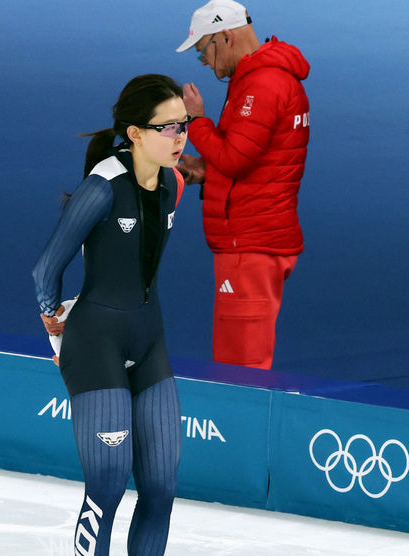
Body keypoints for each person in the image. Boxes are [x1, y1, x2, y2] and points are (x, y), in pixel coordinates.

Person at [32, 74, 191, 556]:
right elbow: (45, 269)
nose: (179, 136)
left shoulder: (173, 184)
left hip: (149, 340)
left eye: (183, 125)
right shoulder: (101, 188)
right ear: (135, 134)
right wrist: (55, 331)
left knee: (161, 482)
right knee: (105, 485)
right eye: (167, 127)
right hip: (94, 344)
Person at [176, 0, 310, 369]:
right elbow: (258, 162)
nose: (204, 63)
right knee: (241, 361)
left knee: (240, 369)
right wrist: (208, 171)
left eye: (203, 51)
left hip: (250, 246)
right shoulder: (263, 80)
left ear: (225, 37)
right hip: (259, 242)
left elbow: (236, 159)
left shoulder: (261, 85)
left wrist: (196, 121)